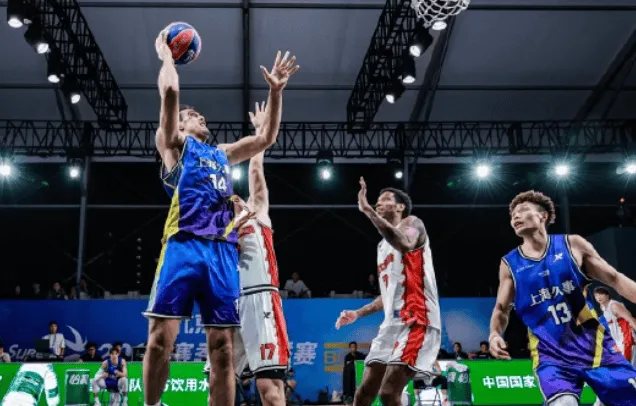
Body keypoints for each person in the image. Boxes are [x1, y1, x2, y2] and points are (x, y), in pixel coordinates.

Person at [143, 30, 299, 406]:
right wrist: (167, 56)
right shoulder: (175, 146)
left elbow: (265, 140)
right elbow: (170, 92)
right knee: (161, 339)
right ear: (180, 126)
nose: (199, 116)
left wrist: (276, 92)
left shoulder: (222, 153)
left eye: (200, 114)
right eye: (191, 115)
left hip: (222, 253)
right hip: (184, 244)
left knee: (224, 350)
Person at [489, 190, 636, 406]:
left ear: (543, 215)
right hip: (551, 356)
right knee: (563, 403)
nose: (516, 216)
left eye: (523, 210)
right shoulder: (510, 264)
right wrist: (494, 334)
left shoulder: (572, 245)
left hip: (596, 347)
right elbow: (501, 308)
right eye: (512, 215)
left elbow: (614, 278)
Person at [335, 180, 441, 406]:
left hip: (417, 318)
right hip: (391, 324)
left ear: (400, 207)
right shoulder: (382, 247)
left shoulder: (413, 223)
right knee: (363, 394)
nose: (378, 203)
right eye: (377, 201)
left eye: (385, 200)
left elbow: (405, 243)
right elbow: (387, 295)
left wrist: (368, 211)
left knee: (388, 393)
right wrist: (358, 313)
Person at [594, 286, 636, 363]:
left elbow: (632, 320)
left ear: (607, 295)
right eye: (596, 295)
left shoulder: (614, 306)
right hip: (617, 342)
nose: (598, 297)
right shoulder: (602, 307)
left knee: (626, 367)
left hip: (626, 340)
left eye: (601, 294)